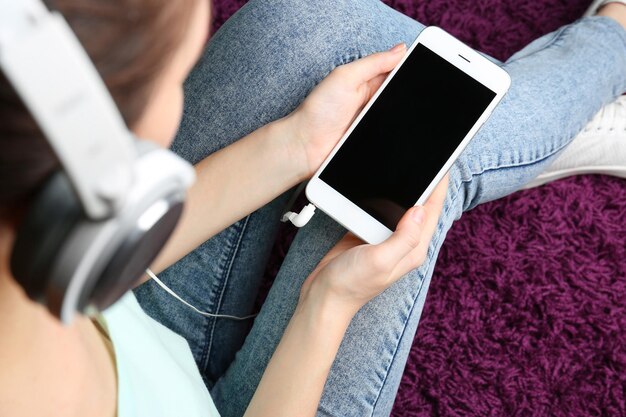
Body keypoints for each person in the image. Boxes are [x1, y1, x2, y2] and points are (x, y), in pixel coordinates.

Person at [0, 1, 624, 417]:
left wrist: (294, 144)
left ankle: (555, 121)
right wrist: (328, 304)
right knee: (442, 163)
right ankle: (611, 47)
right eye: (176, 78)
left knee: (311, 22)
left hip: (127, 308)